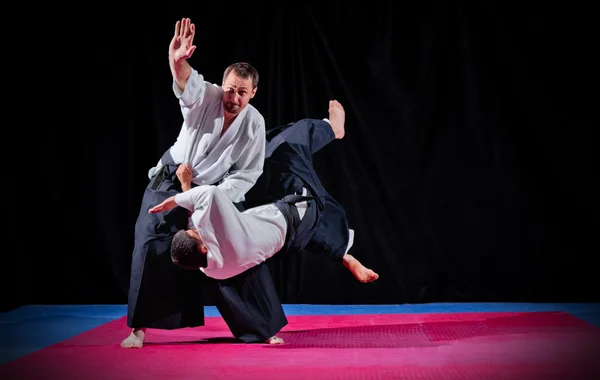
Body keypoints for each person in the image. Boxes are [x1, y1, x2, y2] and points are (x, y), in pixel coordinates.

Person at [148, 100, 379, 343]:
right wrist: (178, 197)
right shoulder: (224, 240)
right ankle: (332, 129)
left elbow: (195, 225)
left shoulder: (211, 268)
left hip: (284, 234)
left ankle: (344, 255)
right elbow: (209, 195)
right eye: (196, 234)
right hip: (301, 212)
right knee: (288, 148)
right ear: (205, 246)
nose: (196, 228)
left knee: (264, 152)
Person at [121, 17, 266, 348]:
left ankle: (257, 327)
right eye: (230, 89)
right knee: (149, 241)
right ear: (223, 84)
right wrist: (177, 61)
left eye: (242, 92)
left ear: (253, 93)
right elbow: (188, 84)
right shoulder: (207, 96)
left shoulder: (255, 124)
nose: (233, 98)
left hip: (210, 191)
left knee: (226, 251)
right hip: (172, 175)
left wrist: (206, 197)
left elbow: (248, 174)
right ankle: (138, 328)